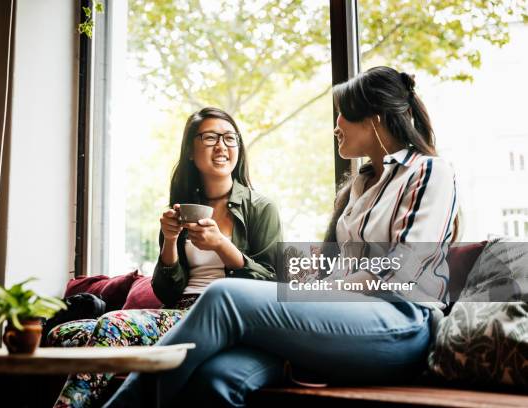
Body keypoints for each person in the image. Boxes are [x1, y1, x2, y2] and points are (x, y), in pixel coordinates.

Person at [101, 66, 459, 408]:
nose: (336, 126)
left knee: (225, 294)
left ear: (374, 119)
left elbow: (401, 270)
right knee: (214, 378)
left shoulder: (429, 172)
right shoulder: (359, 187)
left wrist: (311, 292)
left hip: (402, 325)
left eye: (342, 115)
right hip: (342, 319)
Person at [51, 107, 283, 408]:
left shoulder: (260, 207)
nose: (222, 146)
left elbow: (275, 280)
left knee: (112, 326)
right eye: (211, 137)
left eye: (230, 138)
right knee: (63, 333)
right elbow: (167, 291)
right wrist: (170, 241)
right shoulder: (184, 208)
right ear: (190, 150)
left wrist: (222, 246)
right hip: (176, 312)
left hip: (216, 316)